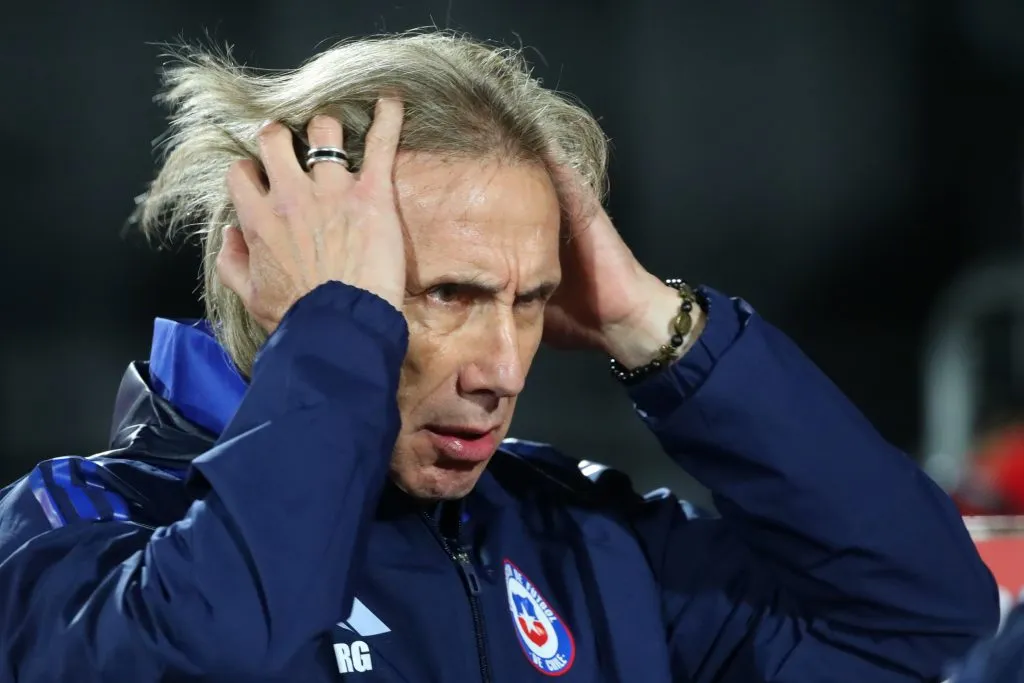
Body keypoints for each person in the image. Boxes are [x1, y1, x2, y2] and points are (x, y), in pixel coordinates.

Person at [0, 31, 999, 683]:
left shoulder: (582, 537)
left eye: (527, 300)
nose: (501, 368)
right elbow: (206, 654)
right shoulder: (80, 533)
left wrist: (661, 331)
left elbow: (922, 622)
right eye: (445, 294)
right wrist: (337, 325)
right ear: (282, 273)